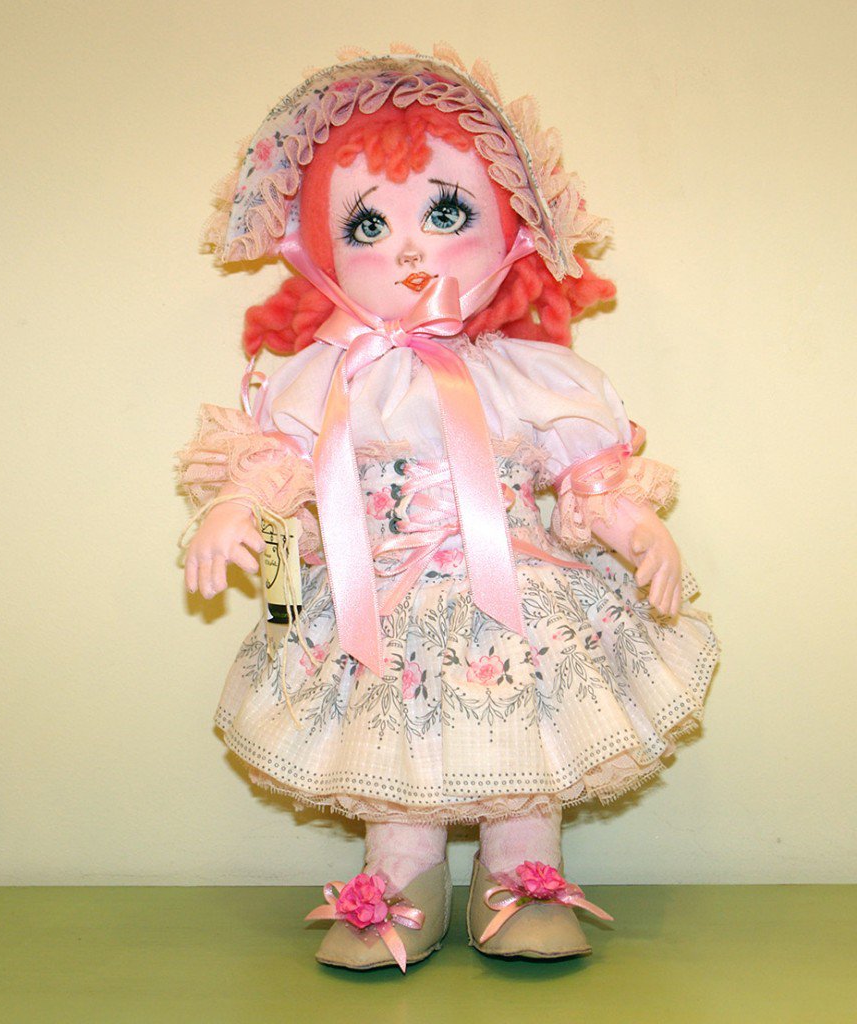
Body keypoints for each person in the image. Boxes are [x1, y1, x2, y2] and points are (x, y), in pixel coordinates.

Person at [178, 47, 719, 971]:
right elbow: (280, 471)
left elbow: (586, 478)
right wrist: (239, 515)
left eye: (444, 212)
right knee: (392, 746)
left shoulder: (529, 374)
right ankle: (403, 877)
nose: (407, 249)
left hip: (523, 596)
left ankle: (521, 870)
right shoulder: (324, 379)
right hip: (375, 600)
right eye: (368, 224)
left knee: (526, 731)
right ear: (322, 252)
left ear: (510, 229)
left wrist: (640, 529)